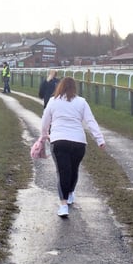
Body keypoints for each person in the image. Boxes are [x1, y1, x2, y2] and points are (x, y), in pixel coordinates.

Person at [40, 77, 106, 217]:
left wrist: (44, 135)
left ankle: (63, 205)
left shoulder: (53, 101)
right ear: (74, 88)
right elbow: (90, 121)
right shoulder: (81, 102)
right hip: (78, 142)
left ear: (60, 87)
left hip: (59, 141)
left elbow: (45, 121)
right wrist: (99, 139)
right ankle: (70, 193)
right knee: (73, 169)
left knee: (63, 171)